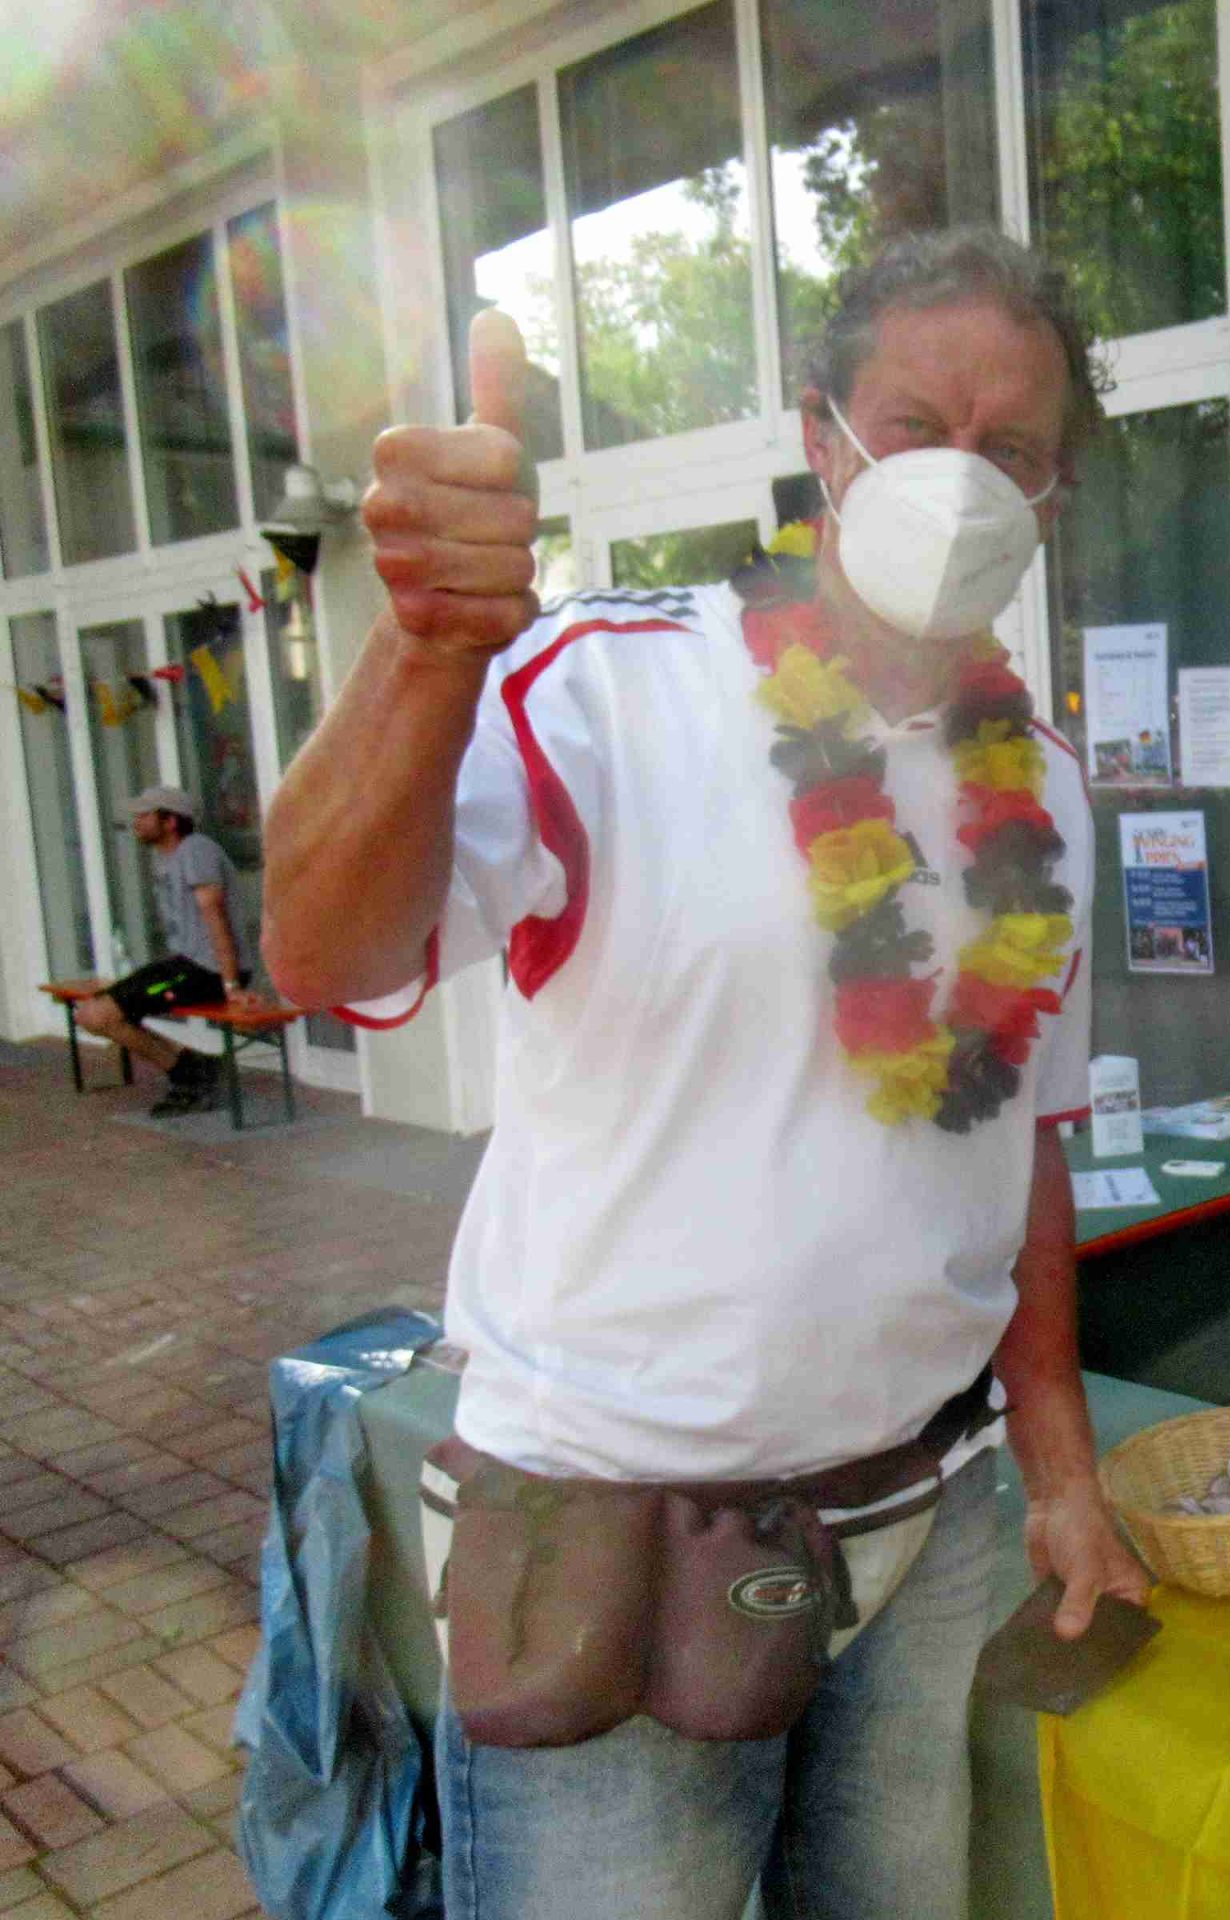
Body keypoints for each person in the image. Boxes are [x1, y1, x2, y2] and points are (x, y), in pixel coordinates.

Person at [262, 228, 1149, 1920]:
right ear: (824, 438)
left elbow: (1023, 1131)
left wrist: (1059, 1465)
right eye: (917, 425)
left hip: (930, 1517)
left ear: (1052, 496)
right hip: (617, 1540)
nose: (960, 477)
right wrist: (429, 648)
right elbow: (323, 954)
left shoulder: (1039, 783)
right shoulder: (610, 686)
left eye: (1014, 448)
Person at [73, 784, 251, 1116]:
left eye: (145, 815)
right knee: (90, 1013)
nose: (136, 822)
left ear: (170, 821)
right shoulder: (165, 857)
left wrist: (231, 985)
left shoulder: (196, 850)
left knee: (99, 1014)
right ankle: (194, 1066)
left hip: (208, 971)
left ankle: (189, 1076)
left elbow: (216, 919)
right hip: (184, 968)